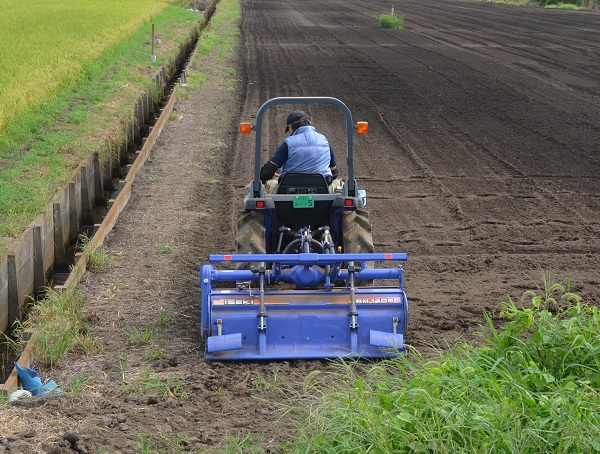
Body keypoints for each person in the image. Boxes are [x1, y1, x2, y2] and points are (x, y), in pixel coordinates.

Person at [259, 110, 339, 188]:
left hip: (289, 188)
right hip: (322, 187)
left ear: (290, 127)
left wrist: (259, 180)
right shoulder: (324, 140)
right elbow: (333, 170)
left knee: (269, 186)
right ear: (309, 123)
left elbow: (268, 171)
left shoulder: (289, 143)